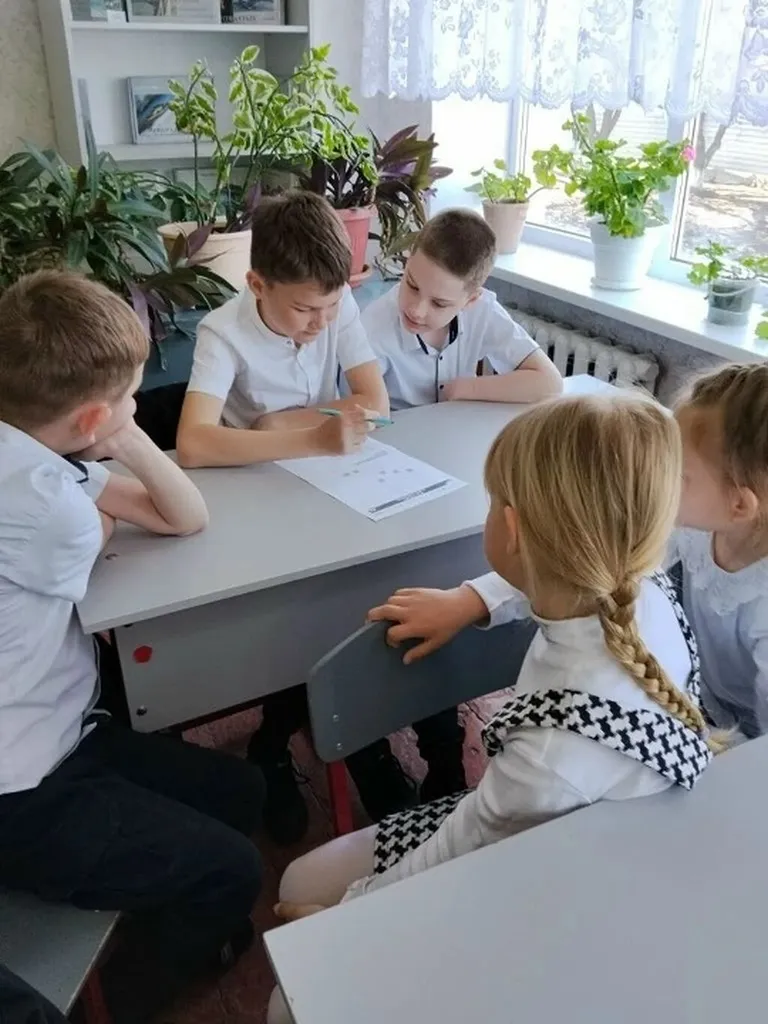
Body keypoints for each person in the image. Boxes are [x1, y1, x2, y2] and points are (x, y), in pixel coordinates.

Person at [266, 391, 716, 1022]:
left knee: (286, 1001)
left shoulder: (551, 756)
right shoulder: (641, 586)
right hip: (583, 843)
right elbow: (547, 574)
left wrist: (346, 920)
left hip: (542, 893)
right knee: (301, 884)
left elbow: (462, 847)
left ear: (513, 530)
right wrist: (472, 599)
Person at [0, 271, 265, 1016]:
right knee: (234, 871)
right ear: (88, 417)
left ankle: (169, 908)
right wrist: (107, 475)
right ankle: (124, 1002)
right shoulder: (44, 502)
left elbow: (182, 516)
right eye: (130, 398)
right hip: (23, 789)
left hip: (59, 731)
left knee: (240, 792)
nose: (137, 408)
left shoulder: (27, 449)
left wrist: (116, 439)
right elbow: (108, 521)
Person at [372, 363, 768, 742]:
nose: (657, 475)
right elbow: (574, 557)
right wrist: (471, 599)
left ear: (740, 505)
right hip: (683, 702)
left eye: (678, 472)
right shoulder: (695, 522)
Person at [176, 190, 388, 468]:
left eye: (332, 304)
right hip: (252, 469)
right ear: (258, 286)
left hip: (327, 465)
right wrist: (314, 440)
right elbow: (192, 445)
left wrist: (277, 424)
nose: (322, 322)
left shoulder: (338, 301)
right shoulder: (222, 332)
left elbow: (377, 405)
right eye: (303, 309)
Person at [362, 208, 562, 411]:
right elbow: (363, 412)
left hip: (460, 425)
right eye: (412, 285)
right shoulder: (372, 327)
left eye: (439, 303)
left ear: (471, 300)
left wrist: (468, 389)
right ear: (408, 260)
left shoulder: (483, 311)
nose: (417, 310)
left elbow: (550, 383)